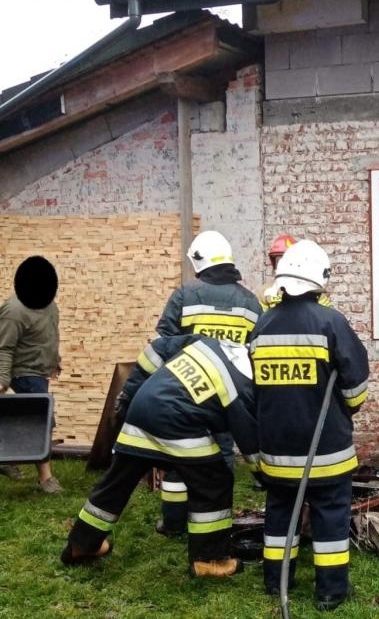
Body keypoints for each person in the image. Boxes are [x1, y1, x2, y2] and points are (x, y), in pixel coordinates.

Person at [61, 333, 258, 577]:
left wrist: (130, 392)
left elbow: (158, 347)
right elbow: (250, 443)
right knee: (214, 482)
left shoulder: (210, 343)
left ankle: (82, 545)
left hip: (141, 410)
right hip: (178, 422)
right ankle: (209, 560)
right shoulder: (245, 384)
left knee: (116, 483)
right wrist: (268, 478)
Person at [250, 239, 369, 609]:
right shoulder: (330, 322)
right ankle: (330, 591)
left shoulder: (262, 324)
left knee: (280, 514)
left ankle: (276, 581)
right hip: (326, 450)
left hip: (277, 450)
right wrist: (349, 407)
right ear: (320, 279)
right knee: (330, 515)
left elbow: (253, 387)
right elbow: (356, 385)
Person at [154, 231, 263, 535]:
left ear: (198, 261)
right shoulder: (250, 302)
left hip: (185, 390)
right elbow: (256, 351)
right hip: (227, 395)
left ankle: (174, 523)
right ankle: (217, 521)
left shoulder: (184, 295)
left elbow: (164, 343)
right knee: (222, 455)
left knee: (178, 455)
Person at [0, 256, 63, 493]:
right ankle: (46, 479)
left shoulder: (49, 305)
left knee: (27, 418)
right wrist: (2, 379)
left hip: (39, 369)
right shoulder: (13, 311)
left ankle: (6, 459)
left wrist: (54, 361)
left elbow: (49, 334)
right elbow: (4, 348)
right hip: (24, 370)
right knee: (42, 420)